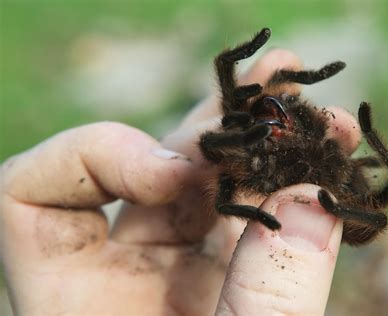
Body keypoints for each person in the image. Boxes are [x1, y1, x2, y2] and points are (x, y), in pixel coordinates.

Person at [0, 49, 362, 315]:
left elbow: (265, 80)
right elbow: (221, 192)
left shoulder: (291, 122)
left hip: (308, 164)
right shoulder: (238, 148)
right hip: (271, 166)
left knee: (274, 82)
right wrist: (264, 217)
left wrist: (308, 80)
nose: (273, 116)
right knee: (211, 143)